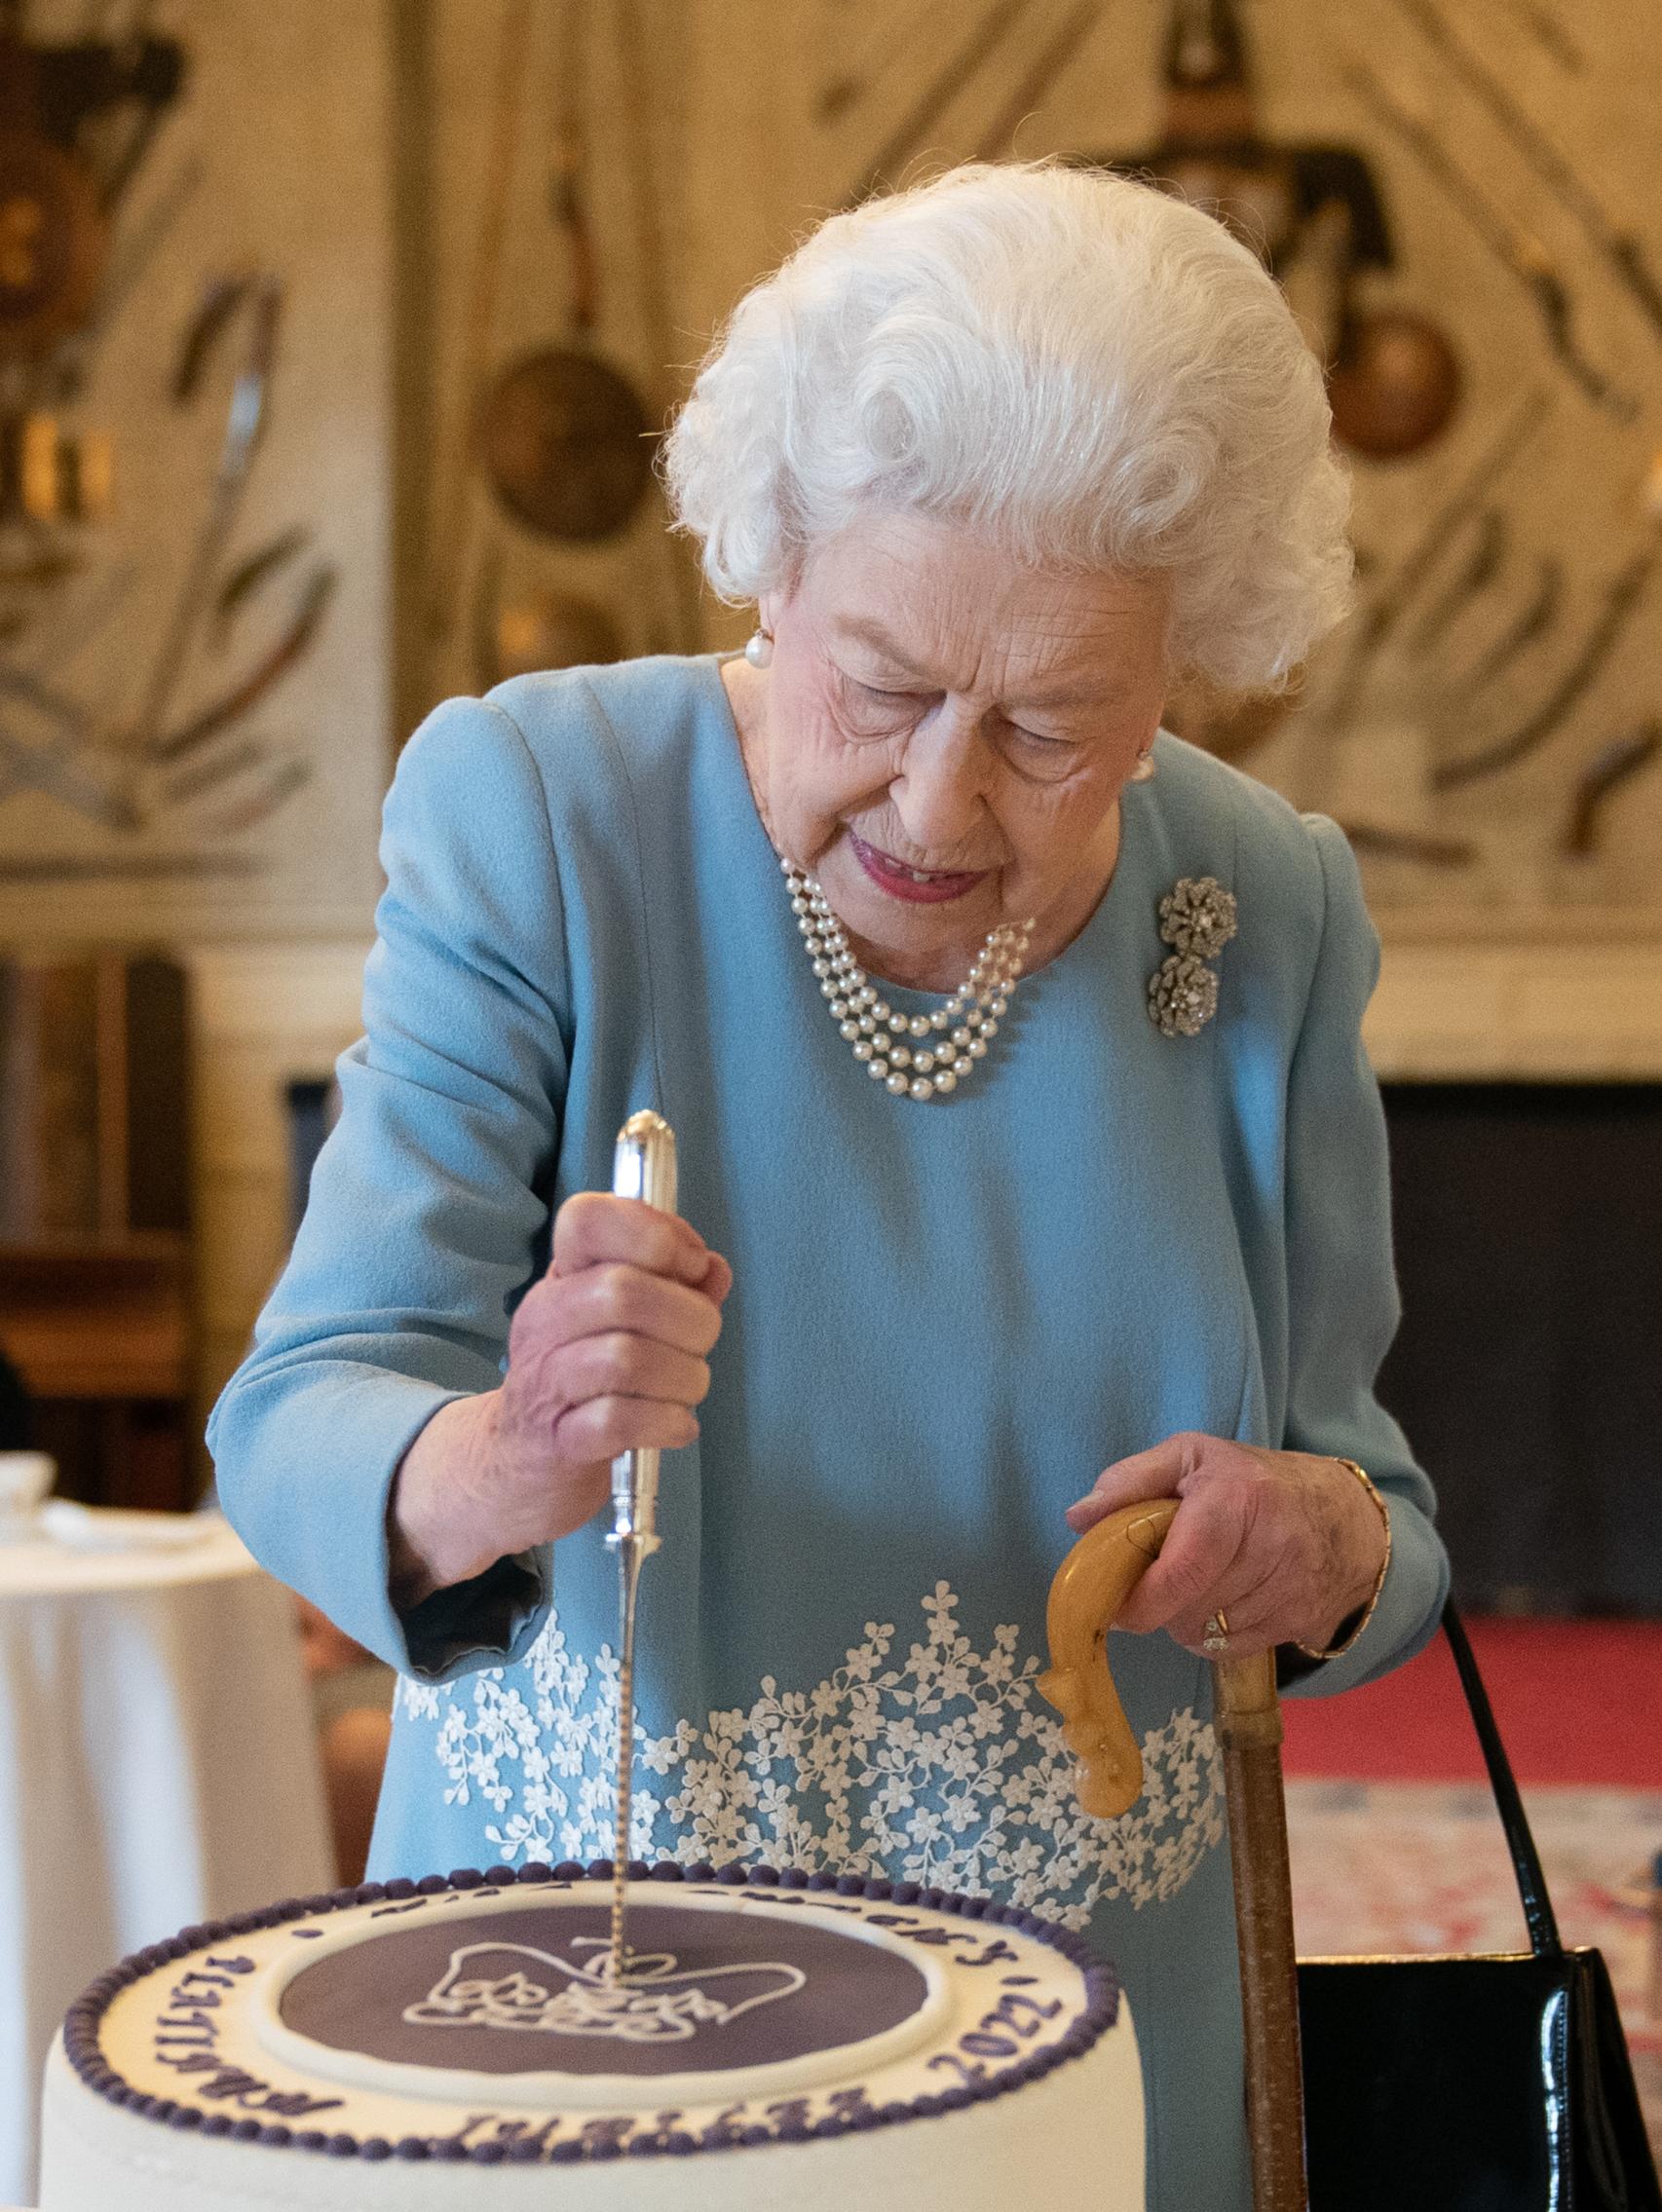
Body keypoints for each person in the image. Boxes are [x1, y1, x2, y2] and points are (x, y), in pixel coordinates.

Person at [209, 161, 1449, 2210]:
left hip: (1093, 2046)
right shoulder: (543, 813)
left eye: (1052, 725)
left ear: (1182, 681)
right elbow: (298, 1421)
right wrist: (511, 1443)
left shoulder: (1273, 909)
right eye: (879, 680)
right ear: (767, 565)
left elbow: (1377, 1519)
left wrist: (1312, 1537)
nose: (938, 797)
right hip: (595, 2026)